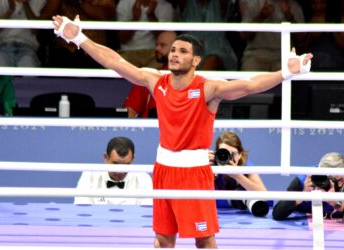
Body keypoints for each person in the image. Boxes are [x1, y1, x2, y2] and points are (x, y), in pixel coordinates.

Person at [52, 15, 313, 248]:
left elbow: (248, 85)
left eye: (182, 51)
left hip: (194, 173)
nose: (174, 54)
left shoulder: (208, 88)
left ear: (196, 60)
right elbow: (117, 62)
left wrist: (285, 73)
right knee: (163, 239)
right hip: (164, 169)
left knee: (204, 239)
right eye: (173, 50)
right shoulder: (156, 81)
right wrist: (80, 38)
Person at [74, 136, 153, 205]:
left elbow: (146, 214)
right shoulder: (89, 175)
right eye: (115, 164)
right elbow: (81, 209)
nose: (120, 171)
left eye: (126, 165)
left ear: (133, 159)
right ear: (105, 157)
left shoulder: (144, 179)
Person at [211, 131, 269, 217]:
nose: (229, 158)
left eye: (233, 154)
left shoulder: (246, 166)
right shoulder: (211, 164)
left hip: (240, 205)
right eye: (224, 153)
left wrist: (238, 176)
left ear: (240, 155)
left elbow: (264, 195)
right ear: (216, 153)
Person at [272, 152, 344, 221]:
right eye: (323, 176)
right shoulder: (305, 179)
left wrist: (334, 202)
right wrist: (303, 195)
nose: (341, 184)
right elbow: (277, 214)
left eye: (341, 178)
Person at [123, 30, 177, 118]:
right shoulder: (148, 75)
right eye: (157, 45)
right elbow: (131, 110)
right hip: (149, 129)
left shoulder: (192, 78)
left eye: (162, 45)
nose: (157, 49)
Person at [116, 0, 174, 68]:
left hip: (154, 53)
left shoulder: (165, 5)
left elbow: (165, 39)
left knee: (161, 70)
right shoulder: (124, 3)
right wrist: (135, 19)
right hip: (128, 52)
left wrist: (151, 15)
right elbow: (123, 39)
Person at [0, 0, 46, 67]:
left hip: (27, 47)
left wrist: (25, 4)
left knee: (30, 74)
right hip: (3, 45)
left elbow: (35, 30)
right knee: (4, 74)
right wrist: (11, 10)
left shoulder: (37, 1)